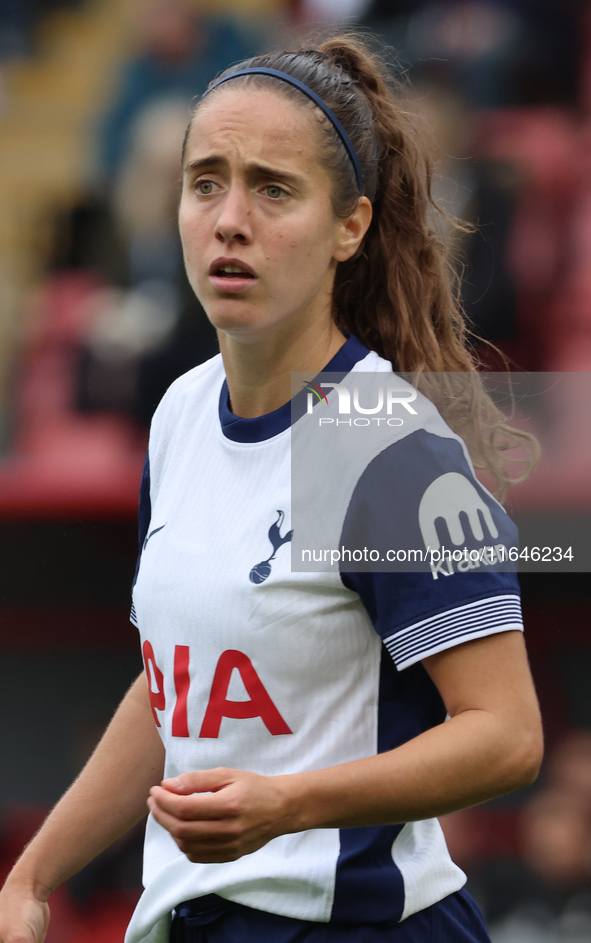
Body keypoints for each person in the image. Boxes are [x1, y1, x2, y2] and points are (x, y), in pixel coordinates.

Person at [0, 35, 543, 943]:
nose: (229, 218)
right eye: (205, 181)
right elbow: (176, 685)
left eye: (273, 188)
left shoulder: (385, 447)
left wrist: (289, 803)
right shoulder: (180, 413)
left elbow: (506, 734)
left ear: (350, 228)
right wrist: (33, 875)